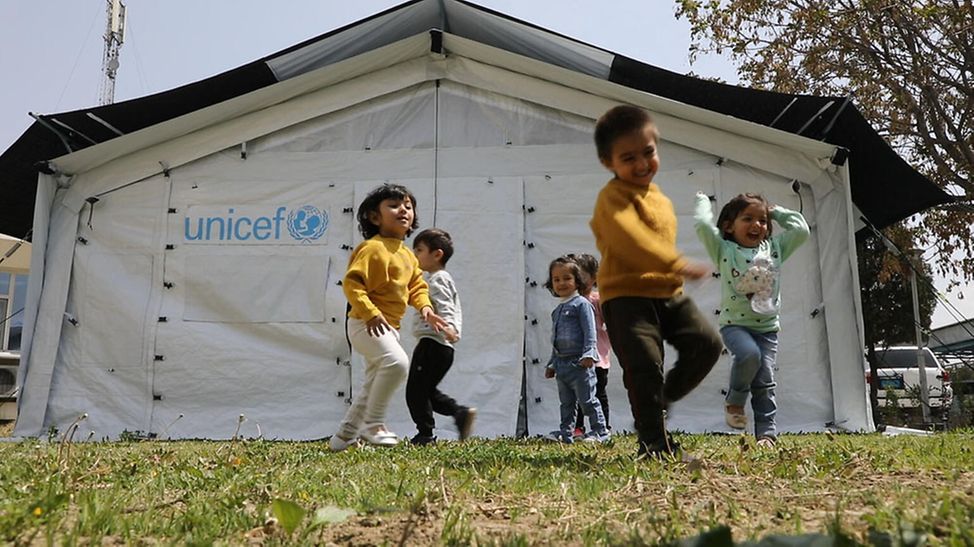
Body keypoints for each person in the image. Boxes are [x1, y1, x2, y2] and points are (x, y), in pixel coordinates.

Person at [589, 104, 723, 459]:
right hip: (626, 297)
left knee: (707, 345)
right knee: (644, 365)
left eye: (648, 152)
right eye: (628, 157)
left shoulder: (660, 198)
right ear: (609, 163)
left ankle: (660, 401)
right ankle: (653, 442)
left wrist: (673, 270)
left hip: (667, 295)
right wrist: (678, 263)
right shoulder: (611, 199)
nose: (642, 164)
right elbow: (630, 238)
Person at [329, 183, 450, 451]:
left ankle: (342, 438)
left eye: (408, 206)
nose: (403, 210)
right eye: (394, 205)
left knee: (372, 383)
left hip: (388, 327)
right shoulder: (371, 248)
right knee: (396, 364)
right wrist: (371, 313)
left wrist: (427, 309)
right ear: (374, 217)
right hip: (364, 323)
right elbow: (353, 285)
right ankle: (374, 425)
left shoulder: (407, 254)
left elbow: (416, 287)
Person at [694, 191, 809, 447]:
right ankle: (735, 400)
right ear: (728, 226)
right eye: (748, 218)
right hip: (735, 325)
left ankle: (766, 434)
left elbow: (801, 231)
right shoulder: (724, 250)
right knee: (749, 355)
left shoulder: (775, 249)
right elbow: (703, 226)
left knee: (765, 380)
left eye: (763, 220)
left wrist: (776, 211)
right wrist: (702, 200)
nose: (757, 225)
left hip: (767, 328)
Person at [405, 228, 477, 445]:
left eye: (419, 250)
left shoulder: (437, 279)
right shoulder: (434, 279)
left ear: (437, 254)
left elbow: (445, 306)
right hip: (439, 345)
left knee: (415, 392)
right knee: (426, 391)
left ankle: (425, 434)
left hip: (433, 342)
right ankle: (460, 413)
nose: (414, 254)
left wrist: (449, 328)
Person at [543, 255, 611, 444]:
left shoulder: (583, 305)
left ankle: (601, 432)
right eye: (556, 279)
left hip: (580, 363)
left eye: (567, 278)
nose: (561, 283)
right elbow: (556, 341)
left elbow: (591, 333)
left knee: (588, 400)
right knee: (567, 403)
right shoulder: (556, 311)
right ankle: (567, 433)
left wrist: (589, 353)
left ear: (577, 281)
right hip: (562, 364)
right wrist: (552, 363)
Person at [569, 253, 612, 439]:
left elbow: (610, 321)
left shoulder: (596, 300)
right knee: (577, 396)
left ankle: (604, 426)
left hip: (597, 357)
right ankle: (578, 428)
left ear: (594, 278)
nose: (578, 280)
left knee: (598, 393)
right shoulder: (569, 303)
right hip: (575, 357)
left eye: (582, 275)